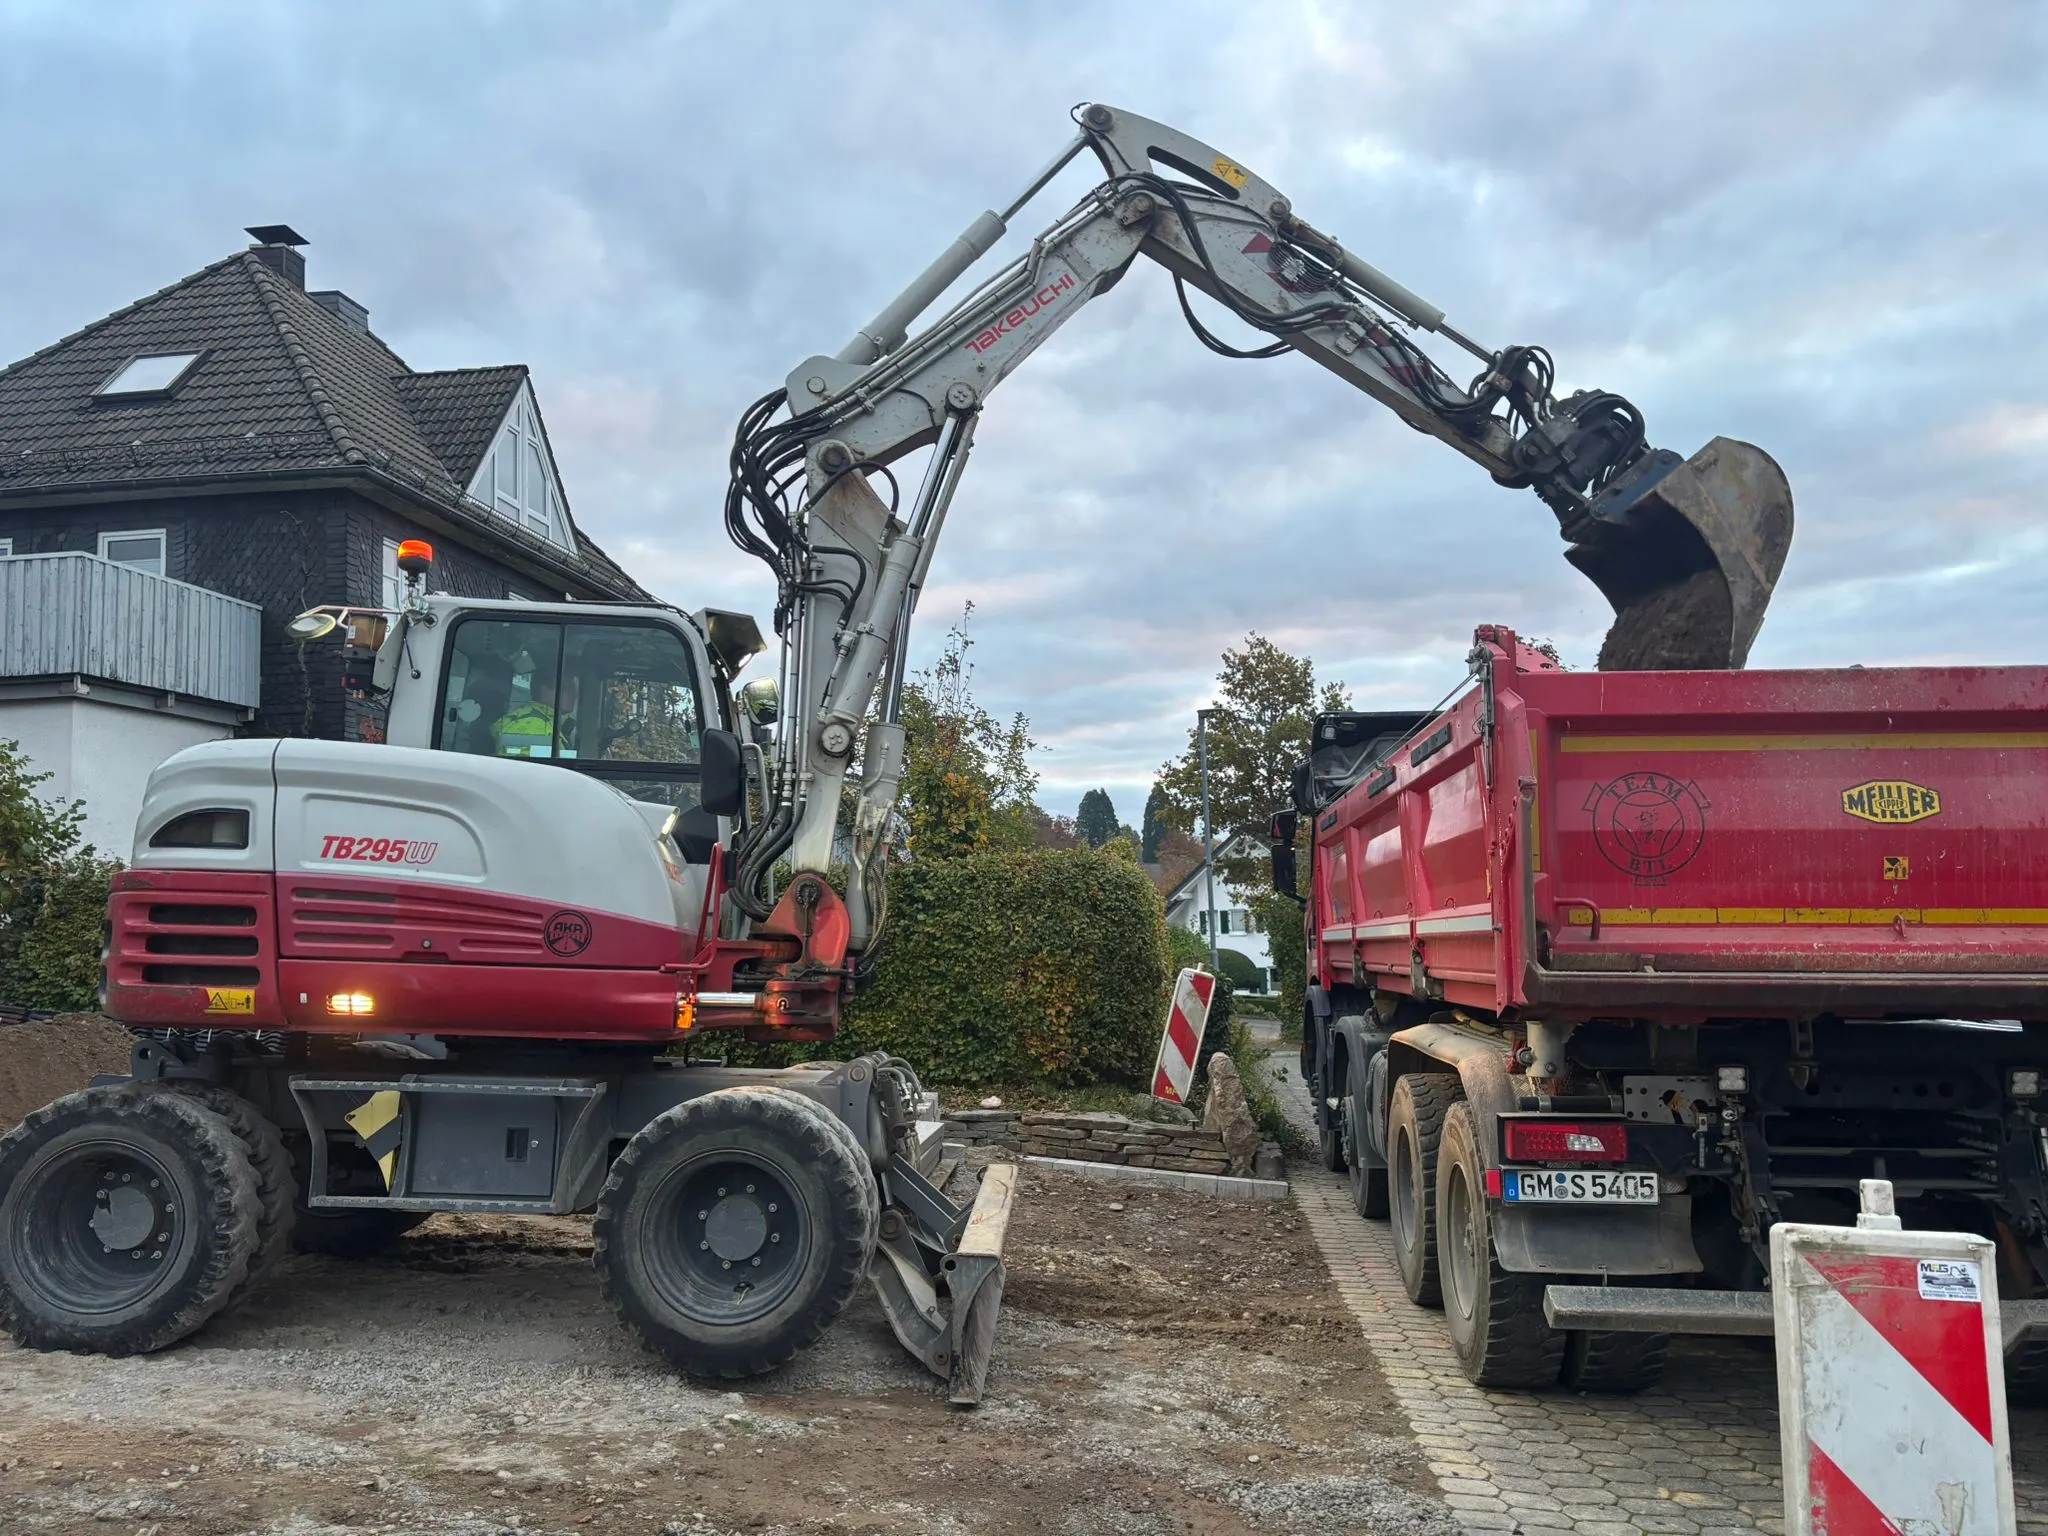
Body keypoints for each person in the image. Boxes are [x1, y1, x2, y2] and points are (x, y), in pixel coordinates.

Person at [493, 671, 564, 758]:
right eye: (568, 688)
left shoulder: (550, 721)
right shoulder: (533, 724)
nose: (575, 695)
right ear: (544, 691)